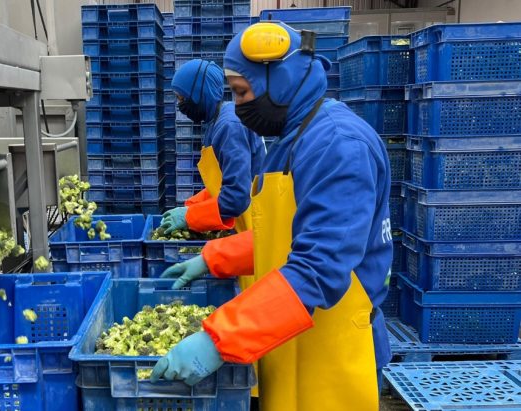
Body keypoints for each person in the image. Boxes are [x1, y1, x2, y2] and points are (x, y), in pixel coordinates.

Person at [153, 22, 393, 411]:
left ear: (280, 79)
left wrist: (219, 338)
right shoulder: (295, 138)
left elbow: (318, 268)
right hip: (296, 335)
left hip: (336, 351)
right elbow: (281, 237)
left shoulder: (337, 145)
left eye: (242, 92)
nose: (238, 106)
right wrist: (214, 258)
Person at [159, 60, 266, 285]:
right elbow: (224, 184)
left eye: (182, 98)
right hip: (241, 225)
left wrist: (190, 217)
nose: (180, 105)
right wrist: (192, 205)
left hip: (255, 224)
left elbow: (236, 198)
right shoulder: (216, 122)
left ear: (200, 93)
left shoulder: (230, 126)